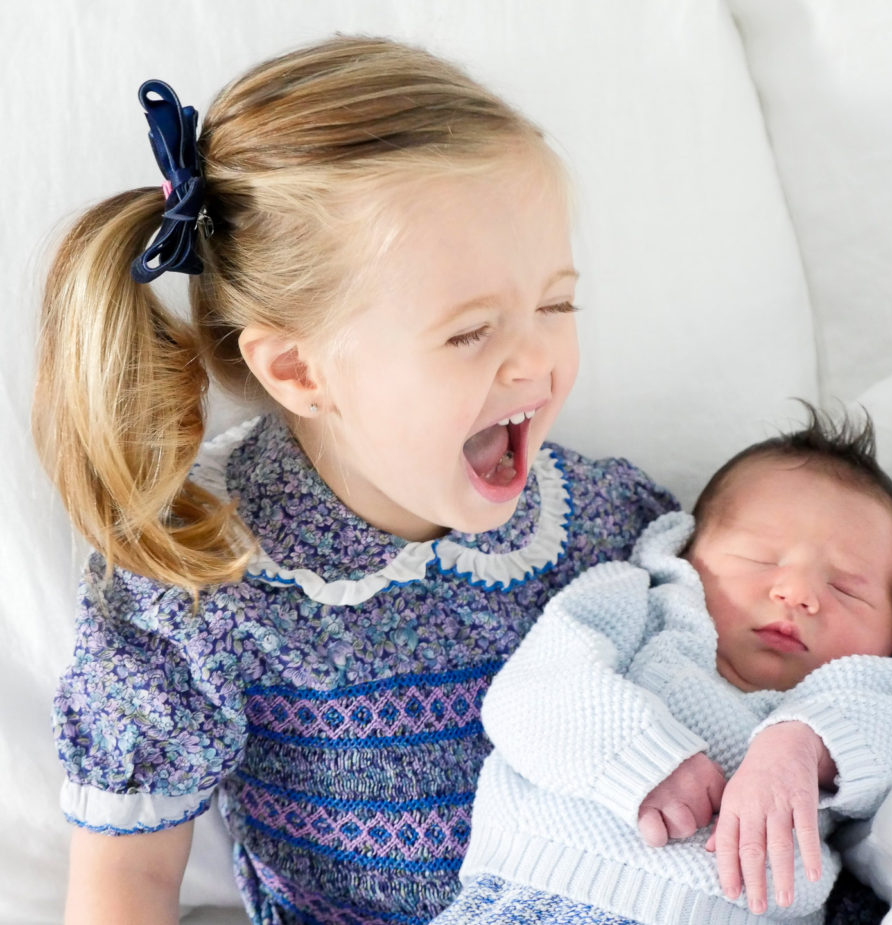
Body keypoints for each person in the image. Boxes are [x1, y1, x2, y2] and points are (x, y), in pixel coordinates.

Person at [33, 37, 681, 925]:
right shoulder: (201, 587)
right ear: (301, 370)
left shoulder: (608, 524)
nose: (536, 358)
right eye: (469, 333)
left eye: (557, 304)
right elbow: (126, 889)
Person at [433, 405, 892, 925]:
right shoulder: (638, 603)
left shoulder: (862, 690)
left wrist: (799, 748)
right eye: (761, 558)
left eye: (848, 588)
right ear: (687, 551)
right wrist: (643, 759)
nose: (798, 593)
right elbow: (533, 695)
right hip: (535, 891)